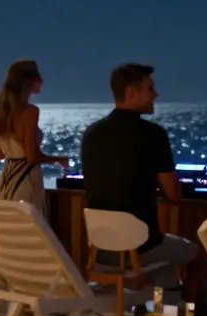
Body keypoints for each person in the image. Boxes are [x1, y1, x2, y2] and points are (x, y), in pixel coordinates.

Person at [80, 63, 197, 267]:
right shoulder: (153, 134)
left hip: (101, 250)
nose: (155, 94)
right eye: (150, 88)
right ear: (131, 93)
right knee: (201, 257)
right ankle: (183, 299)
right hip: (142, 248)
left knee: (165, 270)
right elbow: (174, 194)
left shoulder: (91, 134)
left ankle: (167, 294)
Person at [0, 59, 68, 211]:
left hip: (7, 180)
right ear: (30, 80)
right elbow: (32, 156)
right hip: (26, 180)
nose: (42, 81)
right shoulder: (30, 112)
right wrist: (58, 159)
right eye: (38, 76)